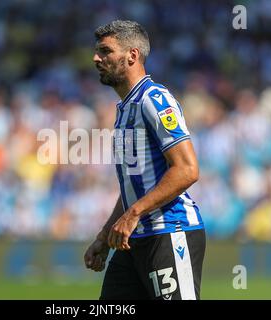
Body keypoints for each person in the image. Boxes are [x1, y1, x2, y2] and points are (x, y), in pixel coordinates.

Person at [84, 20, 206, 300]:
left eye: (105, 51)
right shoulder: (125, 109)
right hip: (133, 240)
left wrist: (133, 214)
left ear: (132, 56)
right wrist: (105, 236)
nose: (96, 58)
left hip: (169, 232)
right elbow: (133, 188)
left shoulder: (155, 100)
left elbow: (187, 170)